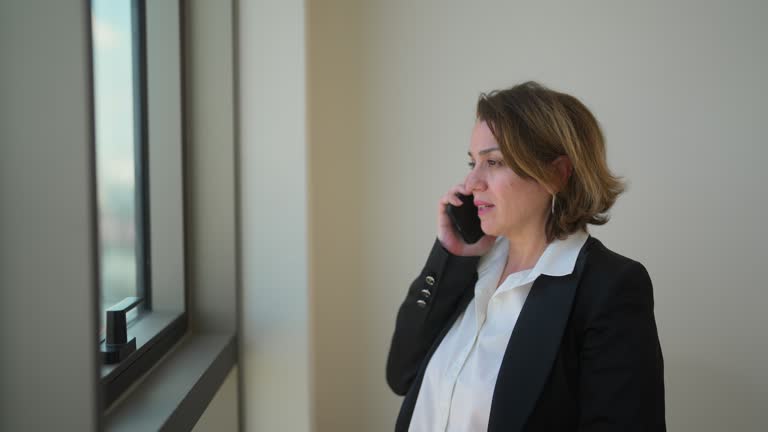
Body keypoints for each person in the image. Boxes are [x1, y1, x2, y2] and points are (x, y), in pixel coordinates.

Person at [386, 82, 665, 431]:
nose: (472, 182)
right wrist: (448, 257)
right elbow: (400, 374)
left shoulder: (609, 287)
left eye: (494, 161)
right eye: (473, 162)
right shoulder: (467, 268)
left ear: (556, 174)